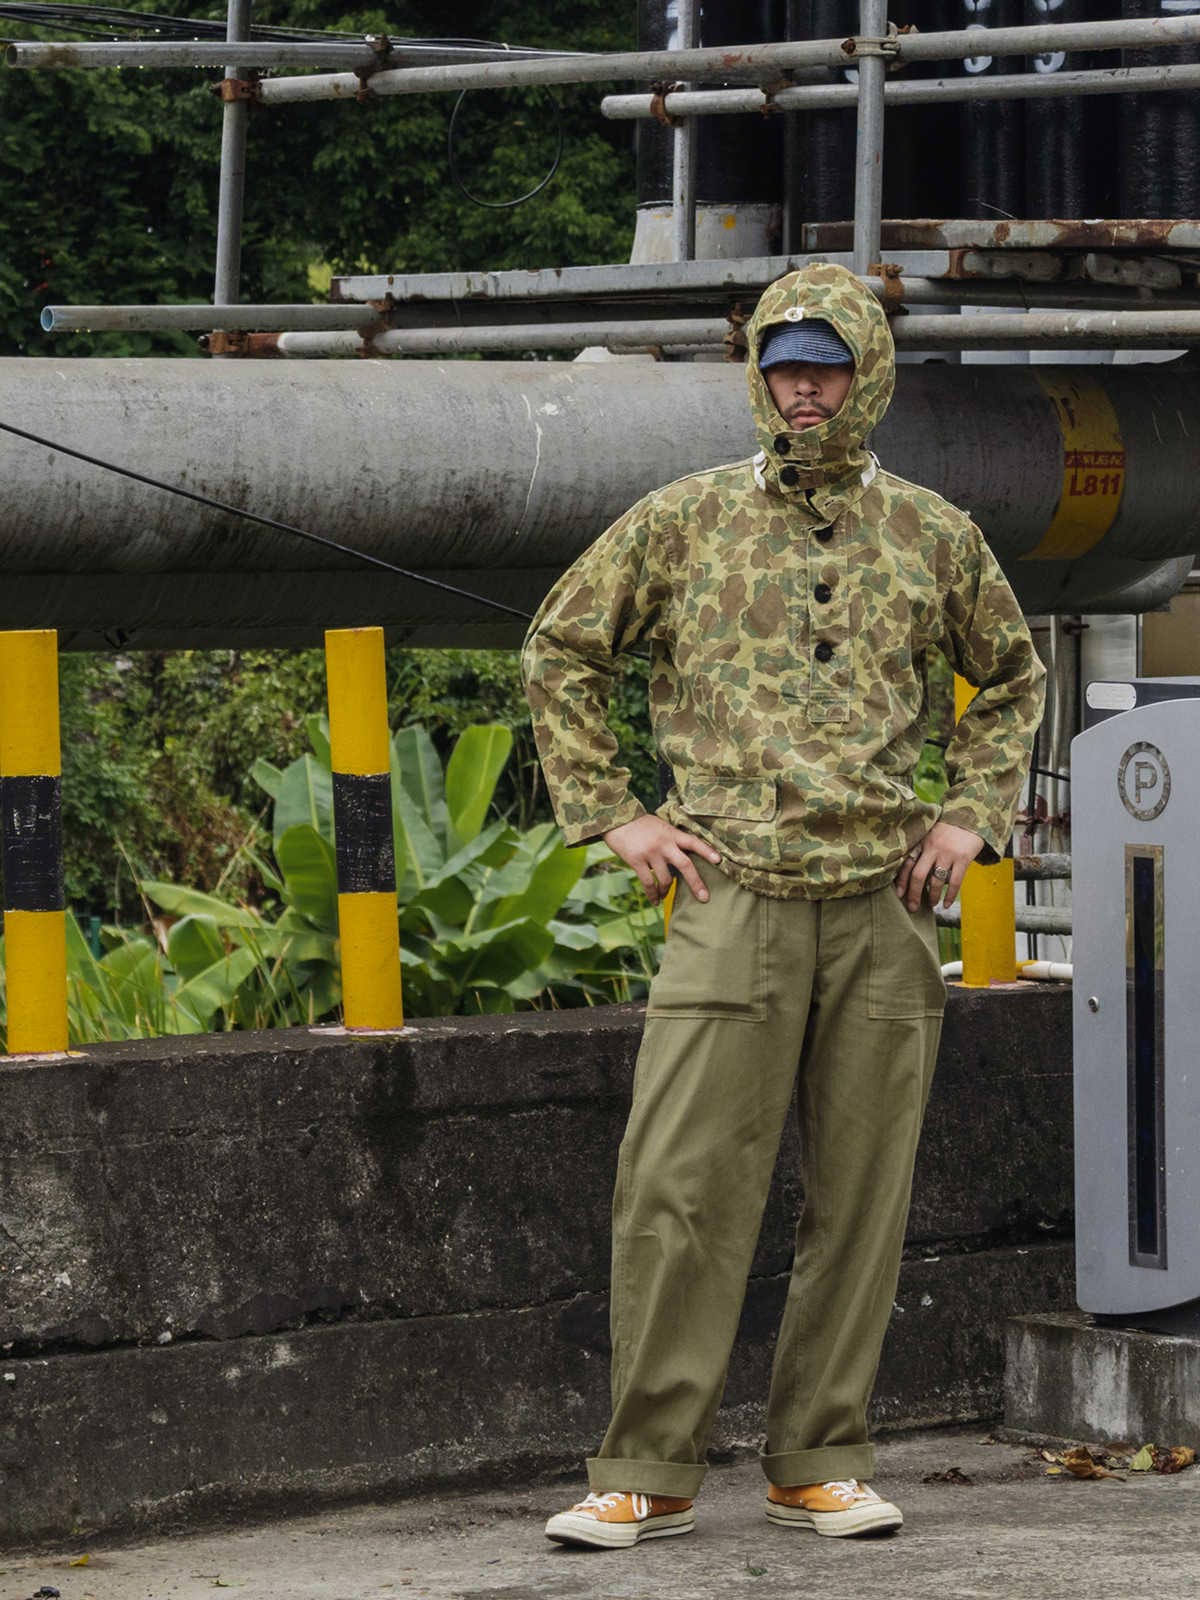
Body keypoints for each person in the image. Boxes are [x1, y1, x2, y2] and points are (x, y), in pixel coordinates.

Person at [521, 262, 1045, 1549]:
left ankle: (821, 1456)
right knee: (681, 1186)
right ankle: (646, 1468)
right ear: (757, 379)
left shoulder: (933, 533)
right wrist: (616, 814)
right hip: (732, 890)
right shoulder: (686, 519)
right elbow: (561, 646)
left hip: (881, 901)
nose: (803, 391)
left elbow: (1013, 677)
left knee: (862, 1198)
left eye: (825, 368)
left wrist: (969, 814)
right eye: (783, 368)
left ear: (869, 377)